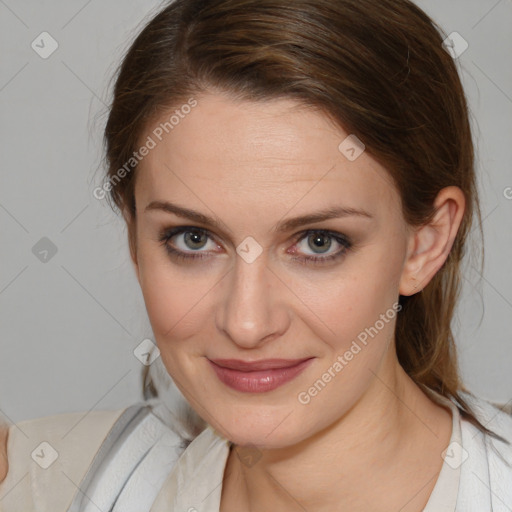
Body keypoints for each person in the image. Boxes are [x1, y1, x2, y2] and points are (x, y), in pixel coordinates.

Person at [1, 0, 512, 510]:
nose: (246, 324)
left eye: (319, 242)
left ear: (425, 243)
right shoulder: (38, 483)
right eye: (193, 239)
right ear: (134, 236)